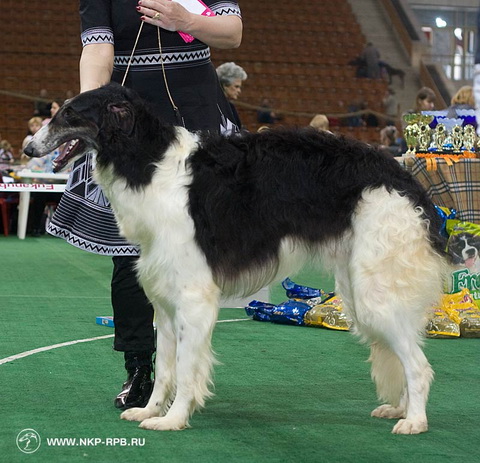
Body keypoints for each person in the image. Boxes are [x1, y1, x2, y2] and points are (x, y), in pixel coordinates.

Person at [46, 0, 243, 410]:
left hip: (200, 118)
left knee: (196, 259)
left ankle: (186, 374)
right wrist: (89, 110)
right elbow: (97, 49)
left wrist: (184, 20)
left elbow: (232, 33)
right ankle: (138, 369)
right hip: (128, 126)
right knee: (129, 257)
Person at [216, 61, 247, 128]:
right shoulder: (214, 106)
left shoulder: (230, 106)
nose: (239, 91)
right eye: (236, 86)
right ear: (225, 85)